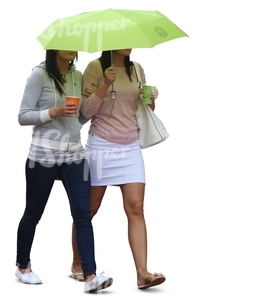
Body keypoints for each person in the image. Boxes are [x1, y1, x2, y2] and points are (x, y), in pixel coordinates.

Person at [16, 50, 113, 293]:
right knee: (33, 213)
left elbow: (79, 118)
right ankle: (22, 266)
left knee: (83, 214)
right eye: (66, 44)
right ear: (54, 49)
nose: (72, 49)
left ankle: (90, 275)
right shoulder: (39, 75)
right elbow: (22, 116)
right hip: (43, 155)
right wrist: (54, 112)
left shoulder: (77, 76)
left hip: (75, 155)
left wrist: (101, 91)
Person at [70, 49, 166, 289]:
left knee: (136, 208)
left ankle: (143, 273)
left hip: (130, 146)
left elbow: (144, 110)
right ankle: (77, 265)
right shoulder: (95, 67)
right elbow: (86, 112)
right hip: (101, 145)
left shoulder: (136, 69)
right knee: (88, 209)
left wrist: (150, 99)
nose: (129, 45)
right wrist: (105, 84)